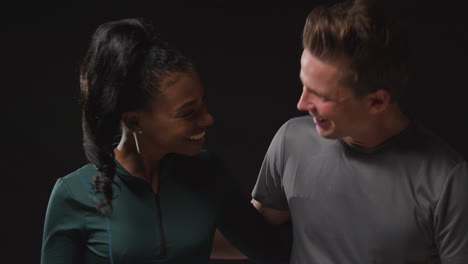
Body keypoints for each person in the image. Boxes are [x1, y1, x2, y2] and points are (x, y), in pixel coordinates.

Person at [41, 18, 290, 264]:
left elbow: (273, 250)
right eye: (187, 113)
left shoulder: (206, 174)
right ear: (134, 121)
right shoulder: (73, 194)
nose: (208, 119)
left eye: (203, 104)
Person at [251, 1, 468, 263]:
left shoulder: (450, 182)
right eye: (304, 85)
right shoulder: (291, 140)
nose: (301, 104)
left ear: (377, 101)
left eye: (321, 95)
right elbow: (253, 236)